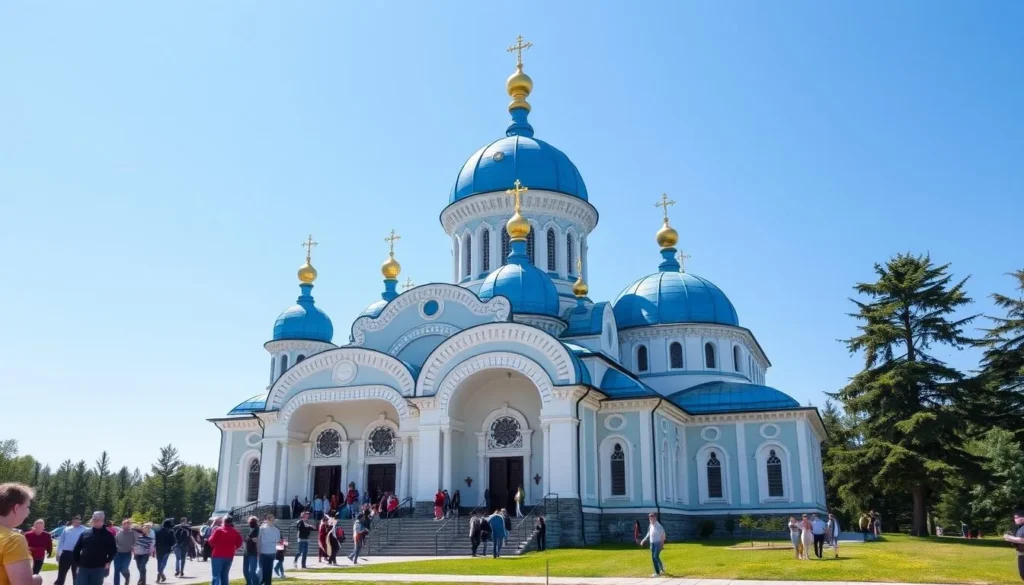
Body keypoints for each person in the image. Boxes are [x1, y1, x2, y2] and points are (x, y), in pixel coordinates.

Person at [0, 483, 42, 585]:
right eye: (27, 507)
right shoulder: (13, 540)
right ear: (16, 508)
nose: (28, 512)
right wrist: (37, 579)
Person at [72, 512, 117, 585]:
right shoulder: (85, 533)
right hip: (83, 567)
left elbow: (113, 550)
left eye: (96, 518)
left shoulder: (108, 535)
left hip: (98, 568)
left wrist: (108, 561)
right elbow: (76, 549)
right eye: (93, 518)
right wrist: (78, 562)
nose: (93, 520)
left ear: (102, 520)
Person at [207, 516, 241, 585]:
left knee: (216, 575)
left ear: (223, 521)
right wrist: (232, 548)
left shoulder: (219, 530)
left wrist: (214, 546)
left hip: (217, 554)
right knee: (225, 575)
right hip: (229, 556)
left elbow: (210, 540)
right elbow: (239, 543)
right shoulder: (235, 532)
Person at [55, 516, 85, 585]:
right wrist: (58, 553)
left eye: (78, 521)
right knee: (61, 573)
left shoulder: (85, 530)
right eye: (75, 521)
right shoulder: (66, 529)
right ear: (72, 521)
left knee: (76, 574)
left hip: (78, 554)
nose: (77, 522)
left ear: (80, 521)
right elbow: (61, 542)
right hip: (66, 553)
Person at [639, 512, 666, 577]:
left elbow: (663, 536)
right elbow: (649, 533)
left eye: (652, 517)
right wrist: (644, 539)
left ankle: (657, 573)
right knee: (655, 557)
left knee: (655, 557)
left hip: (658, 543)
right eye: (650, 518)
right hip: (652, 543)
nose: (651, 519)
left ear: (655, 518)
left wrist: (662, 545)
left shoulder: (659, 526)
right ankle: (662, 568)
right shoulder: (651, 525)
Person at [256, 515, 280, 585]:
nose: (272, 521)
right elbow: (277, 540)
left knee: (263, 569)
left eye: (272, 520)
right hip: (268, 550)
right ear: (267, 520)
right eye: (271, 520)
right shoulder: (264, 529)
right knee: (267, 569)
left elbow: (259, 539)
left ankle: (264, 581)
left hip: (266, 550)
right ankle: (267, 582)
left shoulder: (262, 528)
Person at [113, 519, 138, 585]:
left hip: (127, 553)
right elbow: (115, 541)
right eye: (124, 524)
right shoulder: (119, 532)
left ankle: (127, 577)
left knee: (124, 568)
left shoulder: (133, 532)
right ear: (122, 525)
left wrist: (133, 547)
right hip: (117, 554)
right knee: (116, 570)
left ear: (130, 525)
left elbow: (138, 538)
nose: (125, 526)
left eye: (127, 524)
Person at [1003, 509, 1024, 582]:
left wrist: (1011, 538)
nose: (1015, 519)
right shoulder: (1020, 528)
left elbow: (1021, 540)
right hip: (1021, 554)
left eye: (1016, 517)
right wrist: (1011, 540)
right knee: (1022, 574)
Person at [152, 520, 174, 584]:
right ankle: (160, 574)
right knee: (164, 563)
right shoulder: (171, 531)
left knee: (159, 562)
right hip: (167, 549)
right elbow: (174, 541)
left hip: (159, 549)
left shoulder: (157, 531)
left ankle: (160, 575)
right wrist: (172, 547)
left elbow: (155, 540)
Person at [241, 517, 259, 585]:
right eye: (251, 521)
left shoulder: (258, 530)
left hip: (253, 552)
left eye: (253, 521)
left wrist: (251, 539)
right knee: (245, 571)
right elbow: (245, 538)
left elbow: (258, 539)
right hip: (246, 552)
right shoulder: (247, 529)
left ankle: (255, 583)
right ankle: (249, 583)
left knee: (252, 571)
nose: (252, 522)